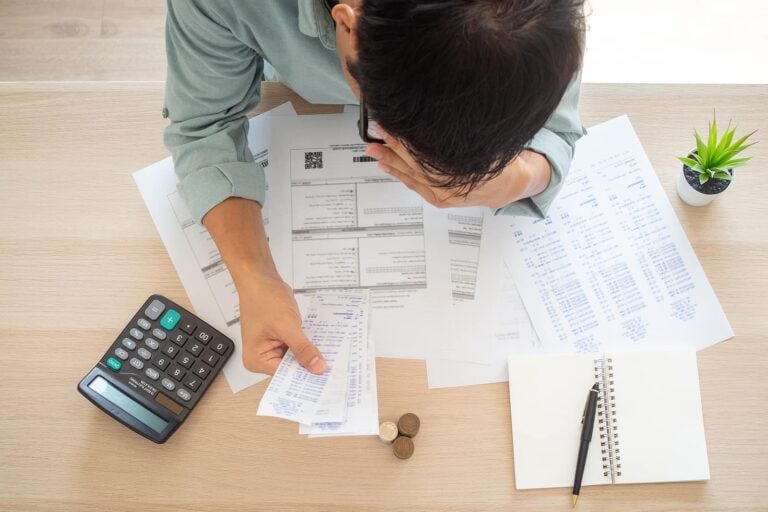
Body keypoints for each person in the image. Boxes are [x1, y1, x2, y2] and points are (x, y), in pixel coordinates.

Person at [163, 0, 585, 376]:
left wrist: (520, 176)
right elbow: (204, 129)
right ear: (347, 27)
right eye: (380, 125)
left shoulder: (540, 15)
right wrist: (254, 278)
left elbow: (556, 127)